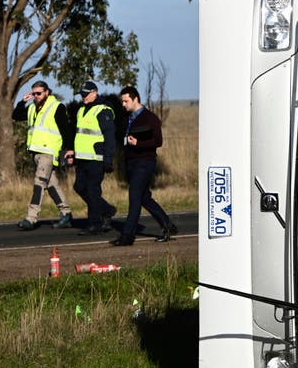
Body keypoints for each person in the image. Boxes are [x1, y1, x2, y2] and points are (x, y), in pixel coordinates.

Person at [111, 85, 177, 246]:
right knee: (144, 198)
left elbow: (158, 141)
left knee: (134, 197)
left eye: (126, 101)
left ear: (136, 99)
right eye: (122, 102)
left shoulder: (150, 118)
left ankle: (127, 236)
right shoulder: (128, 118)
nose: (123, 104)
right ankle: (168, 226)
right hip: (132, 163)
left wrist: (138, 143)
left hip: (145, 162)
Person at [12, 80, 73, 230]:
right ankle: (66, 213)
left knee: (39, 183)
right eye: (34, 93)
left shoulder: (56, 107)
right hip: (37, 153)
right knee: (51, 185)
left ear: (47, 92)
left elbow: (66, 129)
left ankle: (31, 218)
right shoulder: (32, 107)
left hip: (49, 153)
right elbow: (16, 115)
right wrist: (22, 102)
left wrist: (70, 149)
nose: (36, 96)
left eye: (38, 93)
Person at [65, 80, 116, 236]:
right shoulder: (81, 110)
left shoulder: (103, 111)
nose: (83, 97)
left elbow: (110, 137)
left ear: (95, 93)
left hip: (96, 159)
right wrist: (72, 152)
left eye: (86, 94)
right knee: (79, 187)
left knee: (93, 191)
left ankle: (95, 224)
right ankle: (106, 210)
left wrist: (108, 159)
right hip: (82, 159)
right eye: (82, 95)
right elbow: (79, 135)